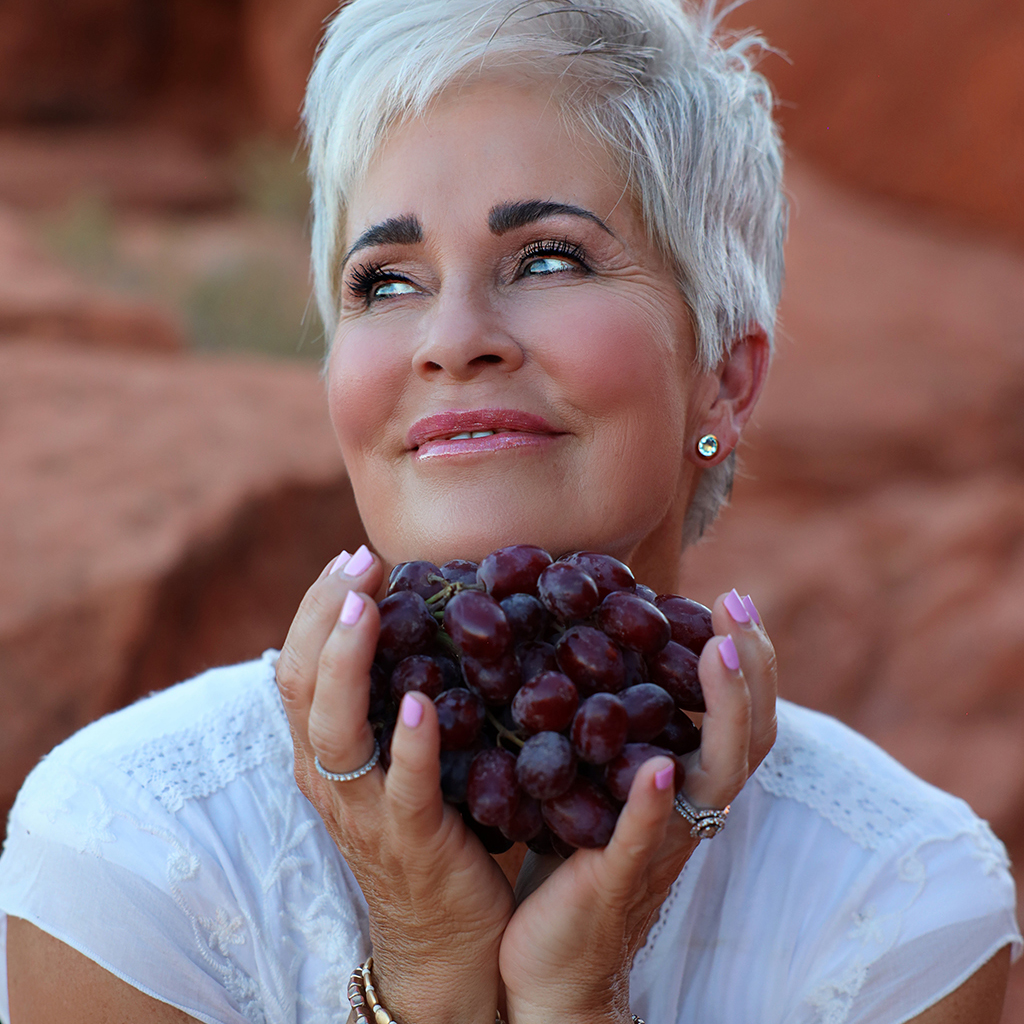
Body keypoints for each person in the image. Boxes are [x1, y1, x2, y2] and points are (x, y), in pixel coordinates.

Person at [1, 1, 1020, 1021]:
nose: (450, 339)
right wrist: (427, 978)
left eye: (546, 259)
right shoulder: (133, 841)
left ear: (722, 379)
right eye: (385, 280)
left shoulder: (898, 900)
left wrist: (578, 1003)